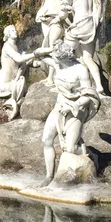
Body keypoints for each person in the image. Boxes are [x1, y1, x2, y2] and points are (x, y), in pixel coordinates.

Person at [35, 41, 101, 184]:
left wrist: (72, 106)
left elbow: (89, 95)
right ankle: (48, 176)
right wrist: (52, 47)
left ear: (64, 57)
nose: (52, 57)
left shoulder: (80, 69)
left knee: (70, 149)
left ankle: (89, 154)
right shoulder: (57, 64)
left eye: (55, 55)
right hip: (59, 107)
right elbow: (37, 54)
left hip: (76, 109)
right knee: (46, 139)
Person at [13, 0, 69, 86]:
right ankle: (52, 75)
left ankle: (53, 77)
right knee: (48, 42)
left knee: (53, 43)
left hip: (60, 8)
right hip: (48, 8)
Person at [57, 0, 110, 99]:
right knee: (88, 58)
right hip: (91, 25)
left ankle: (64, 82)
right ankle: (99, 87)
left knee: (61, 53)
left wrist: (56, 18)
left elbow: (63, 14)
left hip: (79, 26)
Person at [0, 25, 38, 120]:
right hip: (5, 82)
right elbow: (19, 58)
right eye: (12, 31)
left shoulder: (16, 46)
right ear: (7, 34)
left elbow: (25, 60)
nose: (15, 31)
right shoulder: (7, 46)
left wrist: (39, 61)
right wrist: (34, 54)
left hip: (14, 79)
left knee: (26, 66)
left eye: (15, 30)